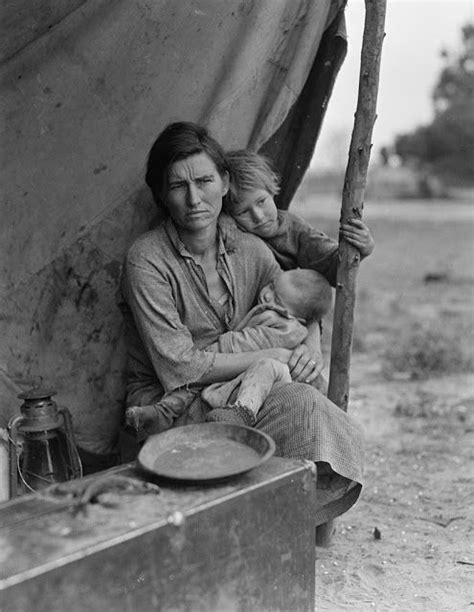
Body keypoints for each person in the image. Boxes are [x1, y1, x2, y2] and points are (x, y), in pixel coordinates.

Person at [120, 121, 364, 526]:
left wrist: (308, 345)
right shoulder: (146, 259)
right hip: (173, 403)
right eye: (178, 186)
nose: (195, 198)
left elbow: (293, 302)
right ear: (162, 194)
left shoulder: (250, 248)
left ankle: (271, 519)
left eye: (204, 180)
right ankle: (253, 517)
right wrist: (274, 353)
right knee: (299, 401)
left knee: (308, 394)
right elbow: (179, 367)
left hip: (241, 398)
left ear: (224, 182)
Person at [126, 268, 332, 435]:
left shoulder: (287, 328)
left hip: (261, 376)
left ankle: (242, 413)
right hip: (243, 369)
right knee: (192, 388)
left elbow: (250, 341)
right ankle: (161, 413)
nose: (266, 293)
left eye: (276, 299)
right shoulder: (278, 309)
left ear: (299, 318)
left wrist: (218, 349)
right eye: (272, 285)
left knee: (265, 367)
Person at [225, 149, 375, 285]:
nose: (258, 217)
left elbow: (331, 264)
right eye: (243, 212)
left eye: (261, 202)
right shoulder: (229, 231)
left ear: (271, 190)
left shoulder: (294, 229)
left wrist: (362, 248)